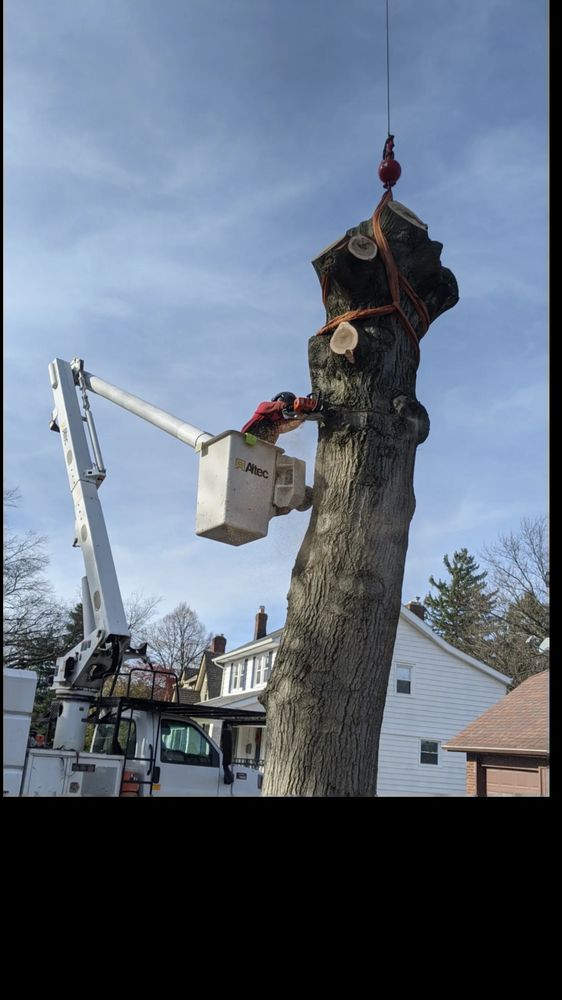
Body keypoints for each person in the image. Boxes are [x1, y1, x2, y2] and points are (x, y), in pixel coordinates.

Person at [241, 392, 318, 445]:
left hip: (258, 453)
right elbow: (276, 406)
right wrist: (287, 406)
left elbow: (288, 425)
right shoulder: (263, 407)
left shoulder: (278, 425)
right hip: (242, 441)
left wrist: (302, 418)